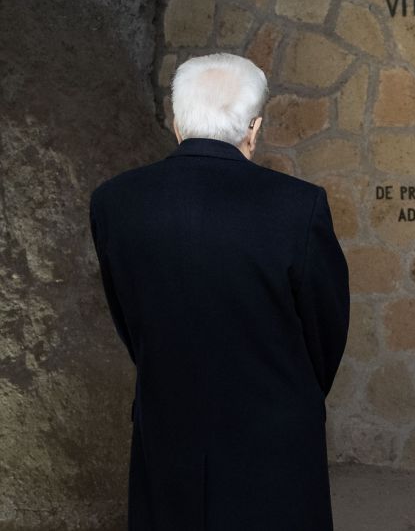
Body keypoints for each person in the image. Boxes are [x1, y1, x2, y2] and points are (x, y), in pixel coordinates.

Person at [89, 53, 349, 530]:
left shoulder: (114, 201)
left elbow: (127, 315)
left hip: (167, 421)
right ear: (253, 128)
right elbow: (326, 330)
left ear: (176, 123)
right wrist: (290, 395)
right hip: (274, 433)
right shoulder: (299, 206)